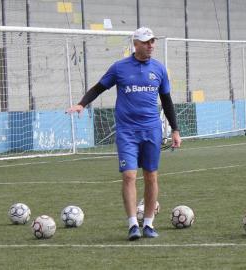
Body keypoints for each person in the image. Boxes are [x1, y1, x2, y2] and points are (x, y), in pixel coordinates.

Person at [66, 27, 181, 241]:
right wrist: (82, 104)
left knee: (151, 176)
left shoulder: (159, 69)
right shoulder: (119, 68)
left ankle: (148, 224)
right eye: (146, 42)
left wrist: (175, 130)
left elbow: (167, 101)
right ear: (135, 44)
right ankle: (132, 225)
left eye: (152, 41)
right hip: (127, 131)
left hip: (151, 130)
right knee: (129, 176)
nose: (151, 45)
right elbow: (99, 88)